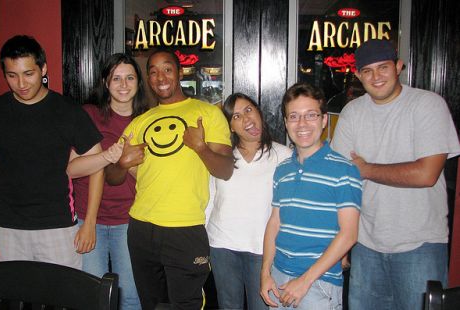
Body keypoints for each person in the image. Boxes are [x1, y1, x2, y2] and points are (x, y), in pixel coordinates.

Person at [331, 39, 460, 310]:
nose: (376, 77)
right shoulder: (352, 113)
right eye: (367, 71)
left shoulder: (427, 105)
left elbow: (426, 173)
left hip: (421, 244)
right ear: (357, 75)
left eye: (383, 67)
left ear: (398, 67)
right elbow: (341, 179)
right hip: (365, 243)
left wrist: (366, 169)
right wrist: (340, 241)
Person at [106, 49, 234, 310]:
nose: (160, 76)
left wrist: (201, 148)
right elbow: (113, 178)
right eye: (152, 71)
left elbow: (226, 170)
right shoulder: (140, 122)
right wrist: (122, 164)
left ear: (179, 72)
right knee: (152, 305)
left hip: (185, 228)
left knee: (186, 304)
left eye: (166, 69)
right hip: (141, 228)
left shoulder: (207, 113)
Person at [0, 35, 103, 269]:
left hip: (57, 226)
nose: (21, 83)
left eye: (28, 73)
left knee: (62, 298)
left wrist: (89, 222)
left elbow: (98, 165)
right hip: (4, 227)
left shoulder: (68, 111)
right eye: (12, 75)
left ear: (43, 69)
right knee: (10, 298)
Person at [260, 83, 361, 309]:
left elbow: (349, 234)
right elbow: (275, 222)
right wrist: (265, 273)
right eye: (294, 116)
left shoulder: (344, 170)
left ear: (324, 120)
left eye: (310, 115)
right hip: (278, 278)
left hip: (318, 283)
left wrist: (305, 280)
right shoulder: (283, 170)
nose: (302, 124)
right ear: (286, 124)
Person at [70, 53, 148, 310]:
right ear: (105, 82)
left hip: (130, 220)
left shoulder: (147, 120)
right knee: (93, 296)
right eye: (116, 78)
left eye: (129, 78)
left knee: (130, 296)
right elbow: (72, 169)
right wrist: (107, 157)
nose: (123, 85)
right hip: (89, 218)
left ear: (139, 82)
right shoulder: (89, 114)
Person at [205, 93, 292, 310]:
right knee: (228, 306)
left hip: (263, 249)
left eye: (249, 110)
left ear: (259, 113)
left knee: (262, 306)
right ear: (231, 127)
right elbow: (210, 199)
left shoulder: (284, 156)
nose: (246, 119)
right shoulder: (223, 158)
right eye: (236, 116)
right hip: (222, 246)